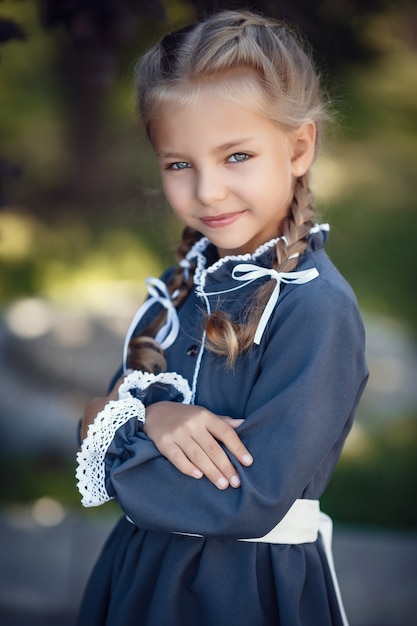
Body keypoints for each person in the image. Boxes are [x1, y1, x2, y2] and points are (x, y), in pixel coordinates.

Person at [75, 9, 368, 626]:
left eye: (236, 156)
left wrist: (118, 440)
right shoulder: (184, 285)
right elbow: (101, 414)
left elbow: (245, 498)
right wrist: (155, 416)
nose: (207, 192)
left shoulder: (314, 308)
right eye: (179, 164)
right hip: (140, 575)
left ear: (298, 147)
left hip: (242, 591)